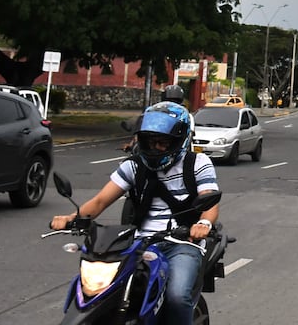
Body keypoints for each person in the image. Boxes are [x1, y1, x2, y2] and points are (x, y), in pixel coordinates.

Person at [51, 102, 219, 325]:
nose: (155, 148)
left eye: (162, 143)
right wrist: (72, 218)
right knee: (103, 290)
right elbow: (100, 201)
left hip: (183, 243)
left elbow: (209, 201)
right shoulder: (134, 166)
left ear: (180, 140)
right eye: (150, 142)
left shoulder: (198, 163)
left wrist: (204, 224)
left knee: (177, 297)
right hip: (139, 244)